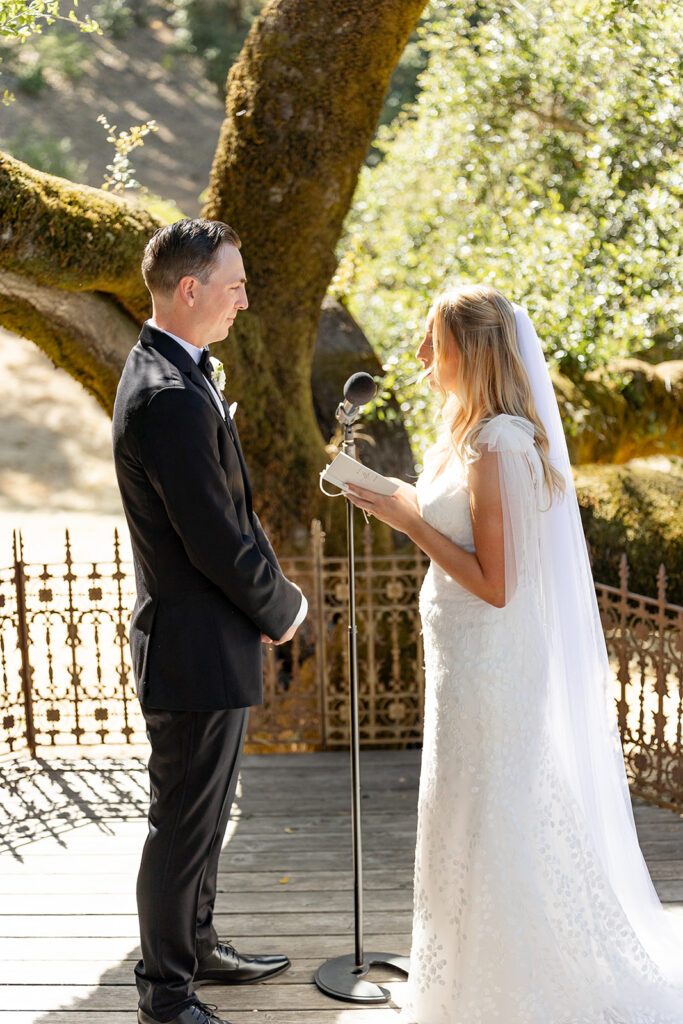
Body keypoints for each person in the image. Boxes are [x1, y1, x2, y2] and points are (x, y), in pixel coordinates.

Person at [345, 284, 683, 1023]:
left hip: (492, 663)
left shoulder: (497, 442)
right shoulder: (474, 435)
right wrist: (398, 498)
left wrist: (409, 523)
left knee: (490, 810)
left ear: (471, 350)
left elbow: (496, 584)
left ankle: (512, 989)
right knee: (465, 809)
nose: (420, 356)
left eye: (433, 341)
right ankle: (465, 978)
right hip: (466, 661)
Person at [112, 218, 306, 1024]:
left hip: (207, 637)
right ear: (188, 290)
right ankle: (165, 993)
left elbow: (227, 510)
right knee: (181, 823)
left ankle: (198, 942)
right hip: (192, 647)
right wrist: (282, 607)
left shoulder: (176, 370)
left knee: (205, 809)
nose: (244, 300)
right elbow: (216, 540)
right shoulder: (165, 396)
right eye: (233, 286)